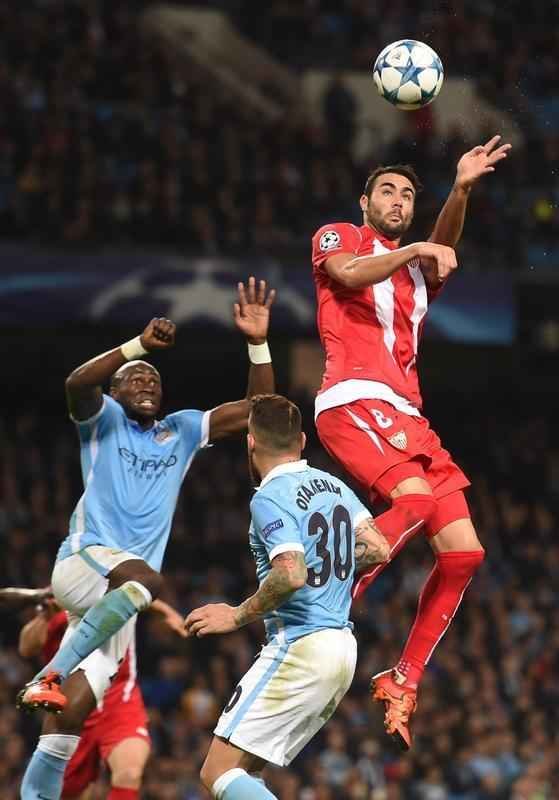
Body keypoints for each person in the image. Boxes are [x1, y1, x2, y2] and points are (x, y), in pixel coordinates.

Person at [17, 276, 275, 800]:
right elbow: (75, 383)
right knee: (147, 580)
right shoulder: (102, 419)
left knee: (65, 727)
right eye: (135, 379)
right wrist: (135, 347)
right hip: (85, 563)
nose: (147, 383)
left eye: (154, 380)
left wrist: (257, 342)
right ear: (114, 392)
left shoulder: (178, 430)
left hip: (114, 606)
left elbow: (259, 411)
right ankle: (47, 672)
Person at [310, 136, 511, 750]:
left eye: (407, 196)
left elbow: (439, 248)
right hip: (353, 399)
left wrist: (462, 187)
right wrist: (417, 247)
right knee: (416, 504)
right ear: (365, 201)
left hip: (408, 416)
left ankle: (403, 676)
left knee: (464, 553)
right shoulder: (339, 236)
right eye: (388, 191)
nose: (399, 201)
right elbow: (346, 275)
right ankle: (331, 597)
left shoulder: (418, 274)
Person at [184, 394, 390, 800]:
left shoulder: (268, 497)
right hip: (342, 650)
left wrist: (236, 615)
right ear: (302, 440)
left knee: (216, 773)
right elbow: (379, 548)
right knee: (247, 772)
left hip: (301, 646)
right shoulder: (334, 486)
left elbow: (291, 572)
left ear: (250, 442)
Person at [18, 590, 185, 800]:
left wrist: (166, 611)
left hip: (120, 698)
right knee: (70, 792)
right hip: (75, 707)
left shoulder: (116, 585)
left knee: (129, 773)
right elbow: (26, 647)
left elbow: (141, 591)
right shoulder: (65, 594)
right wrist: (46, 617)